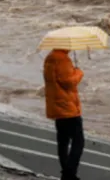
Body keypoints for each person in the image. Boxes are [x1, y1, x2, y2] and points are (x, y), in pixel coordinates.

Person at [43, 49, 85, 180]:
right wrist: (78, 72)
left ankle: (66, 172)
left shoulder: (49, 58)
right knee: (79, 141)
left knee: (63, 142)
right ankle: (69, 174)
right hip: (67, 107)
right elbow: (68, 82)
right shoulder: (63, 59)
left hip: (57, 107)